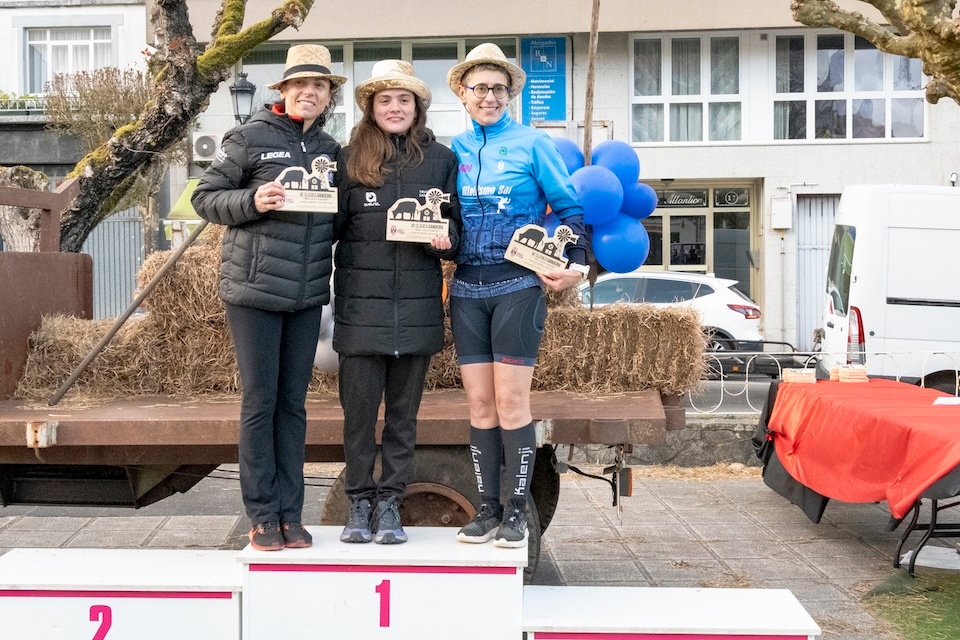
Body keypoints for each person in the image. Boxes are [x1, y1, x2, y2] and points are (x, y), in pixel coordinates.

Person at [191, 44, 346, 551]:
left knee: (293, 406)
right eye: (301, 85)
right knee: (260, 402)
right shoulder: (248, 137)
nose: (310, 92)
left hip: (305, 295)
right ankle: (262, 515)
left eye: (319, 86)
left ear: (328, 95)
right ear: (283, 90)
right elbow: (205, 197)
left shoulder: (330, 148)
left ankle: (291, 515)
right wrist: (251, 200)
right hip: (253, 290)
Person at [446, 44, 590, 548]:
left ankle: (516, 513)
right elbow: (444, 217)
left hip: (517, 285)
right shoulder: (453, 150)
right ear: (463, 95)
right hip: (465, 287)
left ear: (510, 96)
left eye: (498, 89)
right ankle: (486, 510)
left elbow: (570, 210)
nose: (489, 97)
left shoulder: (532, 143)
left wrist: (574, 266)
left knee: (511, 402)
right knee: (480, 405)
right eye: (479, 88)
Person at [334, 60, 461, 544]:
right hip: (360, 314)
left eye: (403, 100)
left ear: (417, 108)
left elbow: (458, 229)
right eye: (385, 100)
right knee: (359, 421)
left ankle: (391, 503)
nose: (394, 107)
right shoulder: (348, 160)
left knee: (404, 421)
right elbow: (326, 230)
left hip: (416, 311)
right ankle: (359, 502)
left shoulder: (441, 161)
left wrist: (445, 237)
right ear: (371, 108)